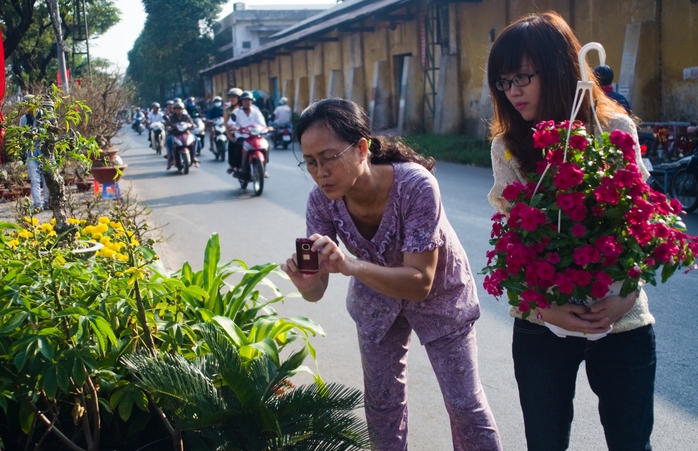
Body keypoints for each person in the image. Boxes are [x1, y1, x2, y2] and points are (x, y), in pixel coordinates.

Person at [281, 98, 502, 451]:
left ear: (361, 148)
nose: (320, 172)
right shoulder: (321, 201)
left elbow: (420, 282)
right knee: (382, 407)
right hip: (376, 302)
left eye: (329, 158)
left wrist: (351, 266)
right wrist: (307, 283)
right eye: (310, 162)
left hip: (442, 298)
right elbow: (316, 290)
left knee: (465, 407)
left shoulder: (415, 186)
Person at [486, 12, 654, 451]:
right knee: (545, 442)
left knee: (632, 442)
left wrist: (625, 297)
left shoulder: (613, 130)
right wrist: (545, 310)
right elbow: (512, 242)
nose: (513, 91)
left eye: (522, 76)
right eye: (503, 82)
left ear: (559, 68)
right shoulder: (507, 146)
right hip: (543, 322)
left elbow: (638, 221)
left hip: (620, 318)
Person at [226, 91, 268, 177]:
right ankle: (237, 167)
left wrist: (267, 128)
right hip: (242, 136)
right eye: (245, 100)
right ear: (241, 101)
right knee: (239, 145)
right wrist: (234, 127)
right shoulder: (236, 112)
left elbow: (262, 123)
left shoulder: (256, 111)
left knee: (266, 145)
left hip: (255, 136)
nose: (247, 102)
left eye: (249, 100)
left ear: (252, 101)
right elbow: (231, 123)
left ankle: (264, 168)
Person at [19, 95, 48, 210]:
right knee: (34, 179)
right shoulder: (24, 119)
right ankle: (38, 204)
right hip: (31, 151)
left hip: (45, 149)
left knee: (47, 177)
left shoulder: (44, 115)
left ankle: (47, 201)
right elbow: (22, 136)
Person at [165, 101, 199, 170]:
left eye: (179, 109)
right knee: (169, 141)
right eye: (176, 109)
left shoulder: (186, 116)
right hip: (175, 134)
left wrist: (193, 125)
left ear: (182, 109)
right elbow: (167, 125)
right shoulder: (171, 117)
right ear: (174, 110)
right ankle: (171, 159)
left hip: (186, 133)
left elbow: (191, 123)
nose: (178, 110)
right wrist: (168, 127)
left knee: (195, 139)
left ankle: (194, 156)